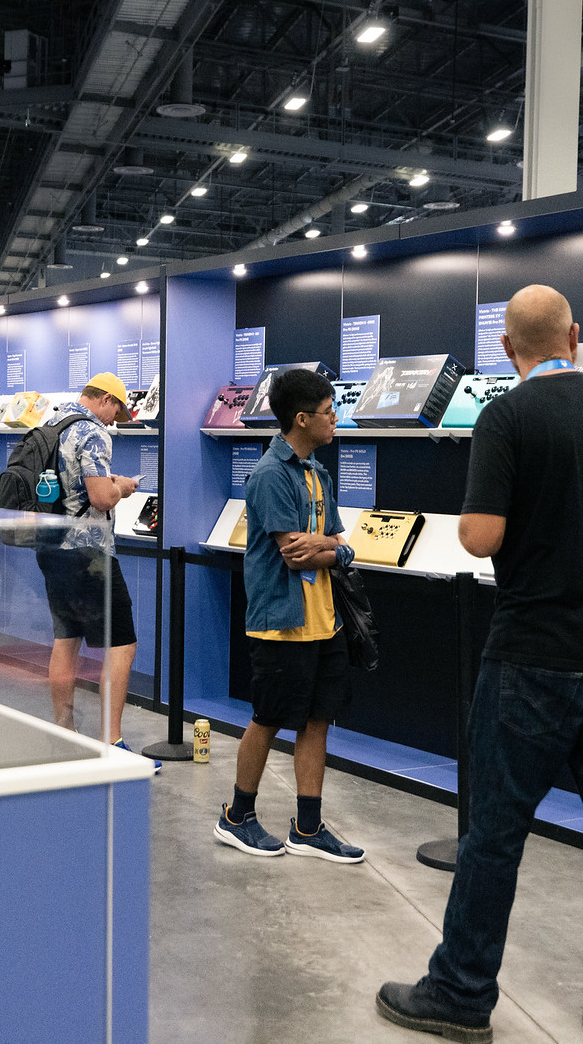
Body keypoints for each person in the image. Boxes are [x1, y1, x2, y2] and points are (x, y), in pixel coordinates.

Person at [375, 285, 583, 1044]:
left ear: (510, 351)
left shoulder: (506, 416)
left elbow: (481, 537)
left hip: (530, 662)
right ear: (575, 337)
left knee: (495, 832)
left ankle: (459, 991)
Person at [213, 368, 363, 864]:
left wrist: (328, 547)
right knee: (269, 717)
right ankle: (236, 817)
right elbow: (295, 555)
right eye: (327, 412)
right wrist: (333, 549)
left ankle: (308, 827)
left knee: (318, 720)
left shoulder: (319, 473)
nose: (335, 419)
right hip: (282, 622)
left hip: (327, 622)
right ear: (301, 419)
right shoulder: (270, 475)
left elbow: (335, 543)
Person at [31, 373, 148, 760]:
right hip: (90, 553)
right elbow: (100, 499)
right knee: (122, 643)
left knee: (66, 639)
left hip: (52, 549)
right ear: (103, 400)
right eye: (116, 409)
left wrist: (107, 483)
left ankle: (64, 732)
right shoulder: (94, 433)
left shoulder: (51, 423)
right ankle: (111, 741)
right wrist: (123, 487)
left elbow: (72, 487)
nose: (115, 419)